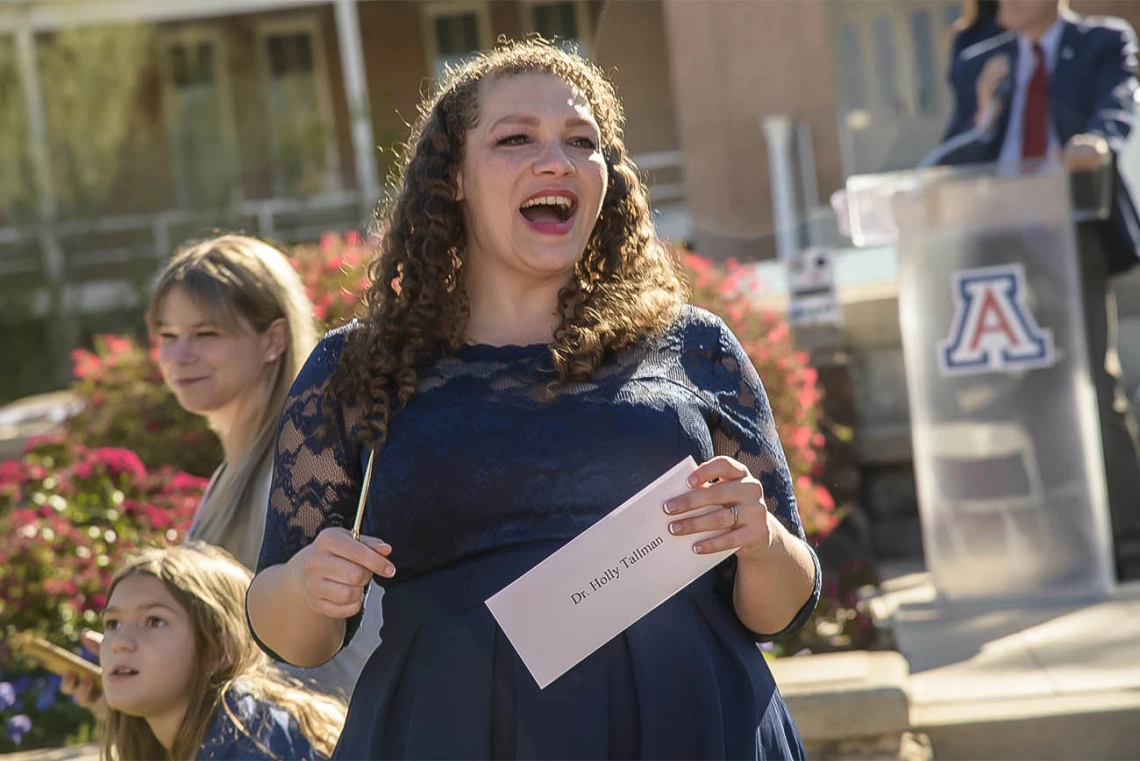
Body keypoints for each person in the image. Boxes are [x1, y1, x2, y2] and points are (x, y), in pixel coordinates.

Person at [247, 39, 821, 759]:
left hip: (697, 722)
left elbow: (785, 603)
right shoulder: (354, 365)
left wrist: (762, 542)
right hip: (453, 731)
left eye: (582, 141)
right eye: (516, 137)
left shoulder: (696, 347)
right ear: (452, 178)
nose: (557, 160)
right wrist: (308, 585)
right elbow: (286, 630)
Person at [62, 234, 383, 711]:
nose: (179, 356)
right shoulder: (228, 479)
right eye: (167, 337)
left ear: (273, 339)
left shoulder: (303, 482)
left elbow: (293, 665)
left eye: (206, 334)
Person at [938, 0, 1140, 579]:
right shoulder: (979, 59)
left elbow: (1117, 107)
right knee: (1030, 394)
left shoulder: (1101, 40)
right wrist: (980, 115)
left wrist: (1096, 142)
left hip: (1070, 231)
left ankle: (1125, 537)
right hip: (997, 242)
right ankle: (1064, 539)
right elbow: (952, 155)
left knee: (1092, 383)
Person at [99, 542, 345, 760]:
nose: (119, 642)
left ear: (221, 649)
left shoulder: (254, 741)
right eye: (113, 624)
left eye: (154, 621)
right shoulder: (215, 729)